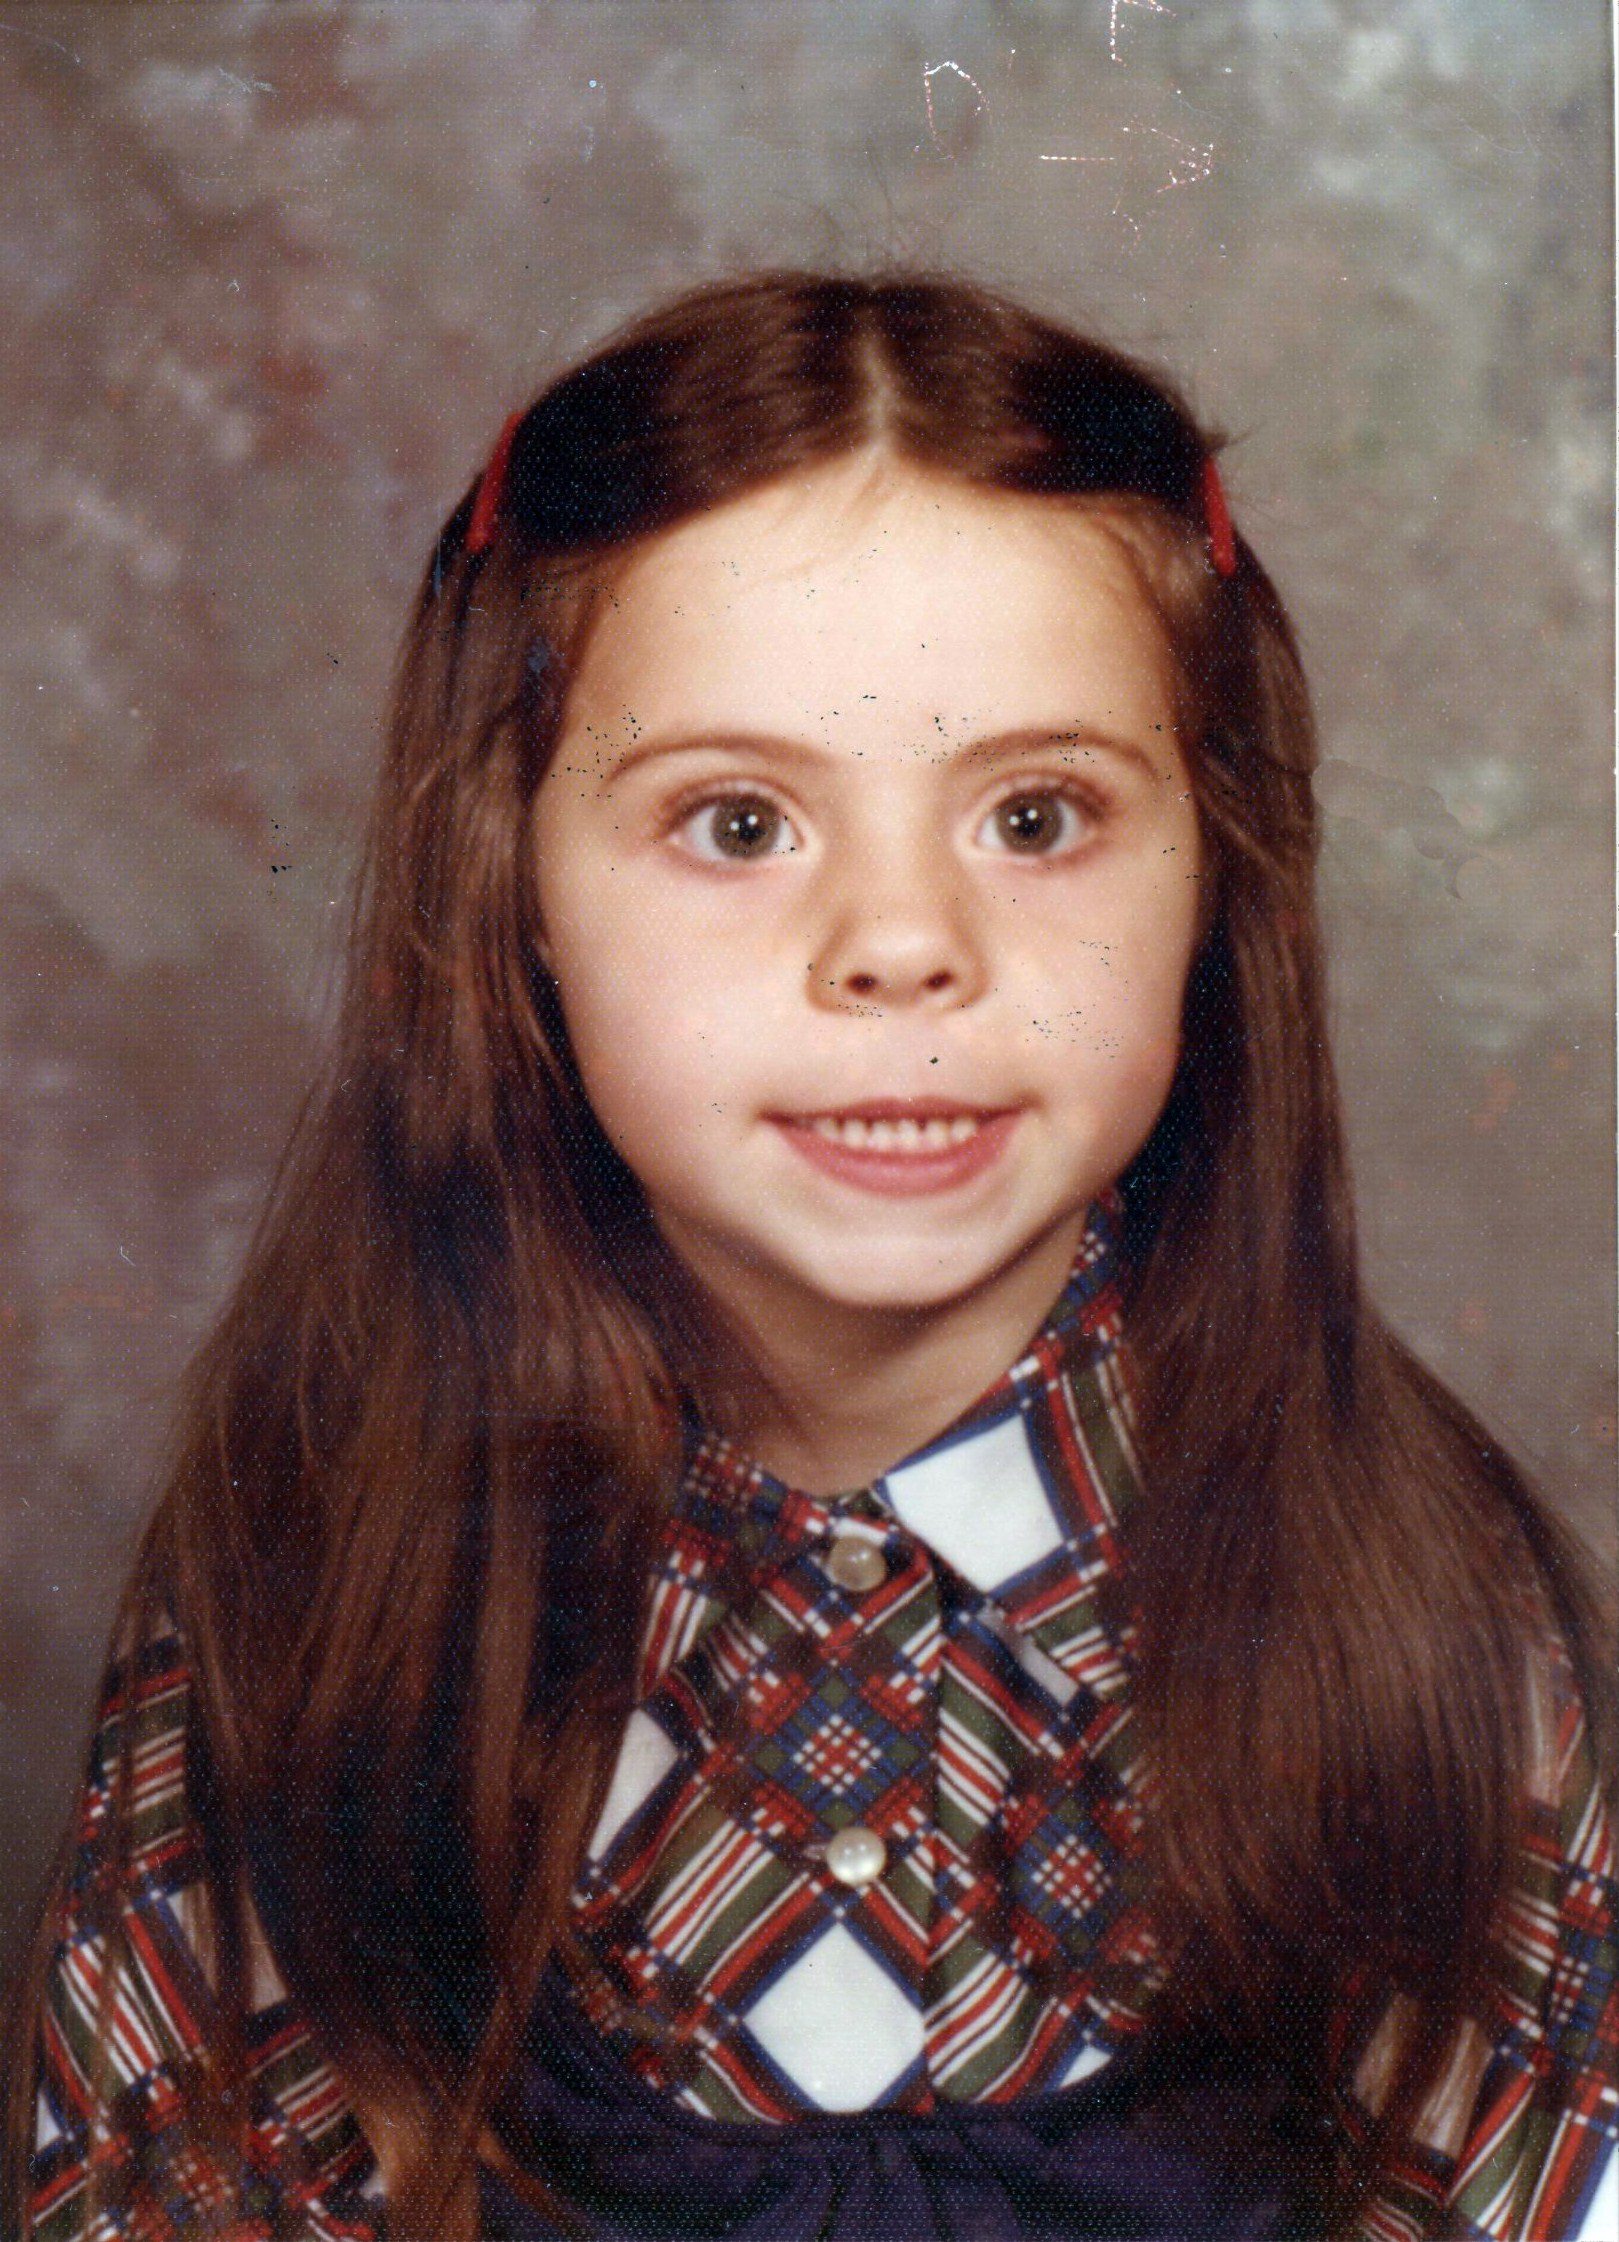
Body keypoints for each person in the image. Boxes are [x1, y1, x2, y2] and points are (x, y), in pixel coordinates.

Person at [5, 269, 1614, 2242]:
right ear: (513, 884)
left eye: (1037, 815)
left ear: (1218, 869)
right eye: (742, 823)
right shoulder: (318, 1567)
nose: (901, 943)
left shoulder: (1417, 1604)